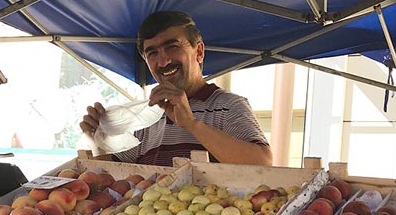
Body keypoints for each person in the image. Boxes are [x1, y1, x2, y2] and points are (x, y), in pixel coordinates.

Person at [80, 11, 272, 166]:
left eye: (172, 47)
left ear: (199, 52)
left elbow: (262, 164)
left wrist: (192, 124)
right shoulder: (147, 114)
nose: (163, 61)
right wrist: (97, 138)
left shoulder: (228, 105)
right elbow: (115, 181)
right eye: (152, 53)